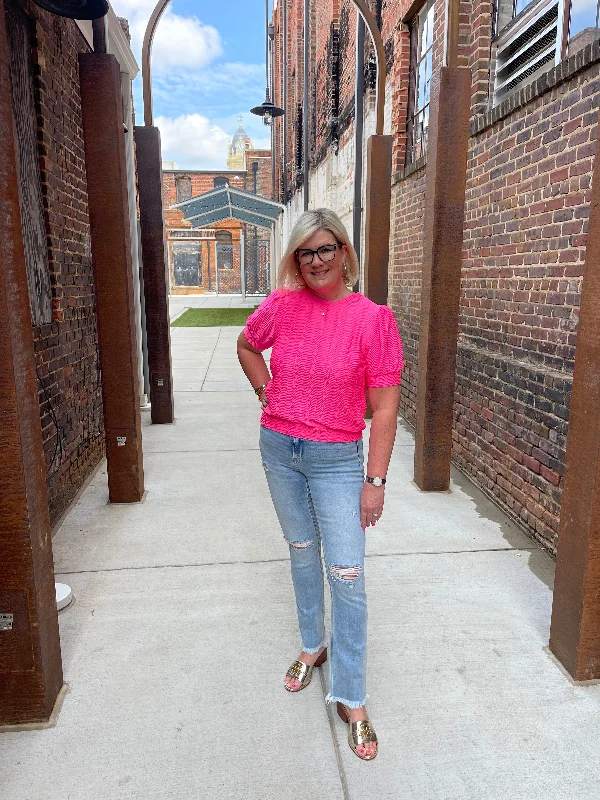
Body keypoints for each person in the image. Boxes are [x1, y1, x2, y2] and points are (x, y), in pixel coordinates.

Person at [237, 208, 403, 761]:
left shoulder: (372, 319)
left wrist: (374, 480)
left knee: (348, 574)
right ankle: (313, 646)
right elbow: (246, 345)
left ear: (344, 253)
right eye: (306, 252)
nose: (316, 260)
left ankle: (352, 697)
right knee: (302, 551)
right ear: (296, 259)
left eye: (326, 248)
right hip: (279, 450)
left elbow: (383, 408)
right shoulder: (282, 306)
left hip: (337, 460)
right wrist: (268, 394)